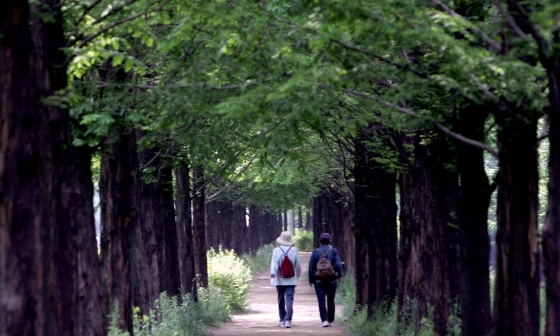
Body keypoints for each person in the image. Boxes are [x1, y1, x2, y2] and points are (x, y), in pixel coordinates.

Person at [308, 232, 344, 327]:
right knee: (331, 299)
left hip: (318, 280)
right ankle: (331, 319)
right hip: (331, 279)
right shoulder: (333, 251)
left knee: (321, 300)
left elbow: (311, 266)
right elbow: (339, 264)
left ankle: (324, 320)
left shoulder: (316, 252)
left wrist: (311, 279)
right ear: (329, 241)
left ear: (320, 241)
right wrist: (340, 275)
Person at [270, 231, 302, 328]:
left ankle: (281, 319)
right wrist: (297, 275)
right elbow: (298, 265)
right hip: (291, 279)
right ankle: (288, 320)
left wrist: (273, 276)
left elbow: (274, 265)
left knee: (280, 298)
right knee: (289, 298)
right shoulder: (294, 250)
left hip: (280, 279)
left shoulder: (276, 250)